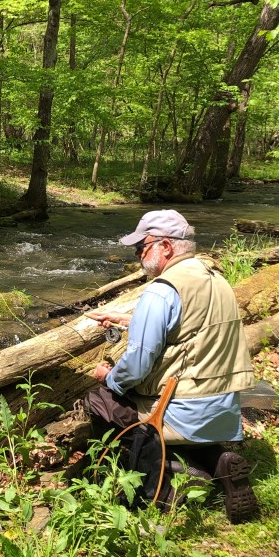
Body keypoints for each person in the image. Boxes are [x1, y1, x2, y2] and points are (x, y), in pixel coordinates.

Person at [89, 209, 259, 522]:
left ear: (166, 247)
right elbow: (191, 328)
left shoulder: (161, 291)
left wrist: (108, 377)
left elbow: (135, 369)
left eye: (141, 247)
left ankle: (166, 481)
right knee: (182, 421)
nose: (138, 255)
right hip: (224, 413)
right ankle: (219, 460)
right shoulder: (215, 278)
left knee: (100, 401)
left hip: (182, 413)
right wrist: (130, 320)